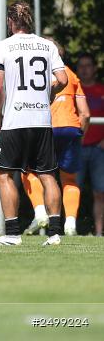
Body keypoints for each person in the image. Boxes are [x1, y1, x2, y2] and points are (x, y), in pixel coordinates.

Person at [0, 1, 67, 247]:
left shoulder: (3, 47)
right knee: (47, 175)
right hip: (41, 119)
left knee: (3, 174)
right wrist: (47, 95)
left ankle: (11, 234)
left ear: (10, 21)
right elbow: (61, 79)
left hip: (15, 119)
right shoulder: (47, 45)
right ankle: (54, 234)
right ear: (29, 20)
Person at [22, 39, 89, 236]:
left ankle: (40, 212)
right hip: (70, 128)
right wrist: (79, 136)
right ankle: (70, 224)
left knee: (29, 171)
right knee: (69, 179)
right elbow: (85, 113)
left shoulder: (35, 72)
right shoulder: (71, 75)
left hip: (45, 128)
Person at [76, 53, 104, 236]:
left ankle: (99, 232)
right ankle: (69, 229)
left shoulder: (102, 90)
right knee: (71, 190)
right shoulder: (73, 89)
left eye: (88, 65)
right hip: (76, 148)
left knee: (100, 192)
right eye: (81, 66)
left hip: (98, 149)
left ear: (94, 68)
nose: (85, 69)